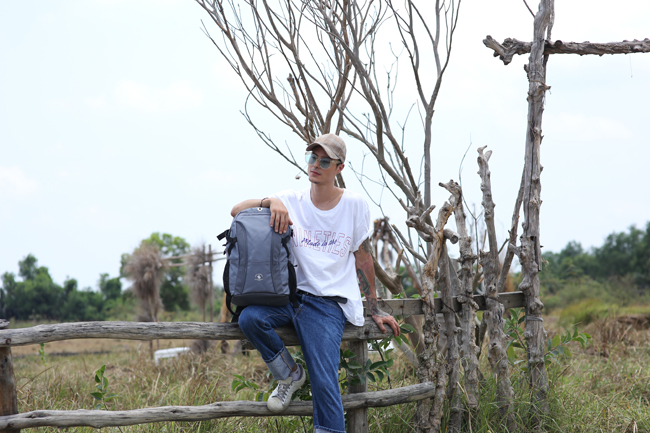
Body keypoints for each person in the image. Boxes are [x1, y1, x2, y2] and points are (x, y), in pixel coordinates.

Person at [230, 133, 400, 433]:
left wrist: (374, 308)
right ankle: (289, 374)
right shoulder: (290, 200)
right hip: (289, 298)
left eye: (324, 161)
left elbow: (363, 258)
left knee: (324, 379)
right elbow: (236, 211)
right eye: (312, 158)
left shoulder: (354, 205)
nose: (315, 165)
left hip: (327, 304)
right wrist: (270, 202)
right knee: (250, 318)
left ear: (339, 168)